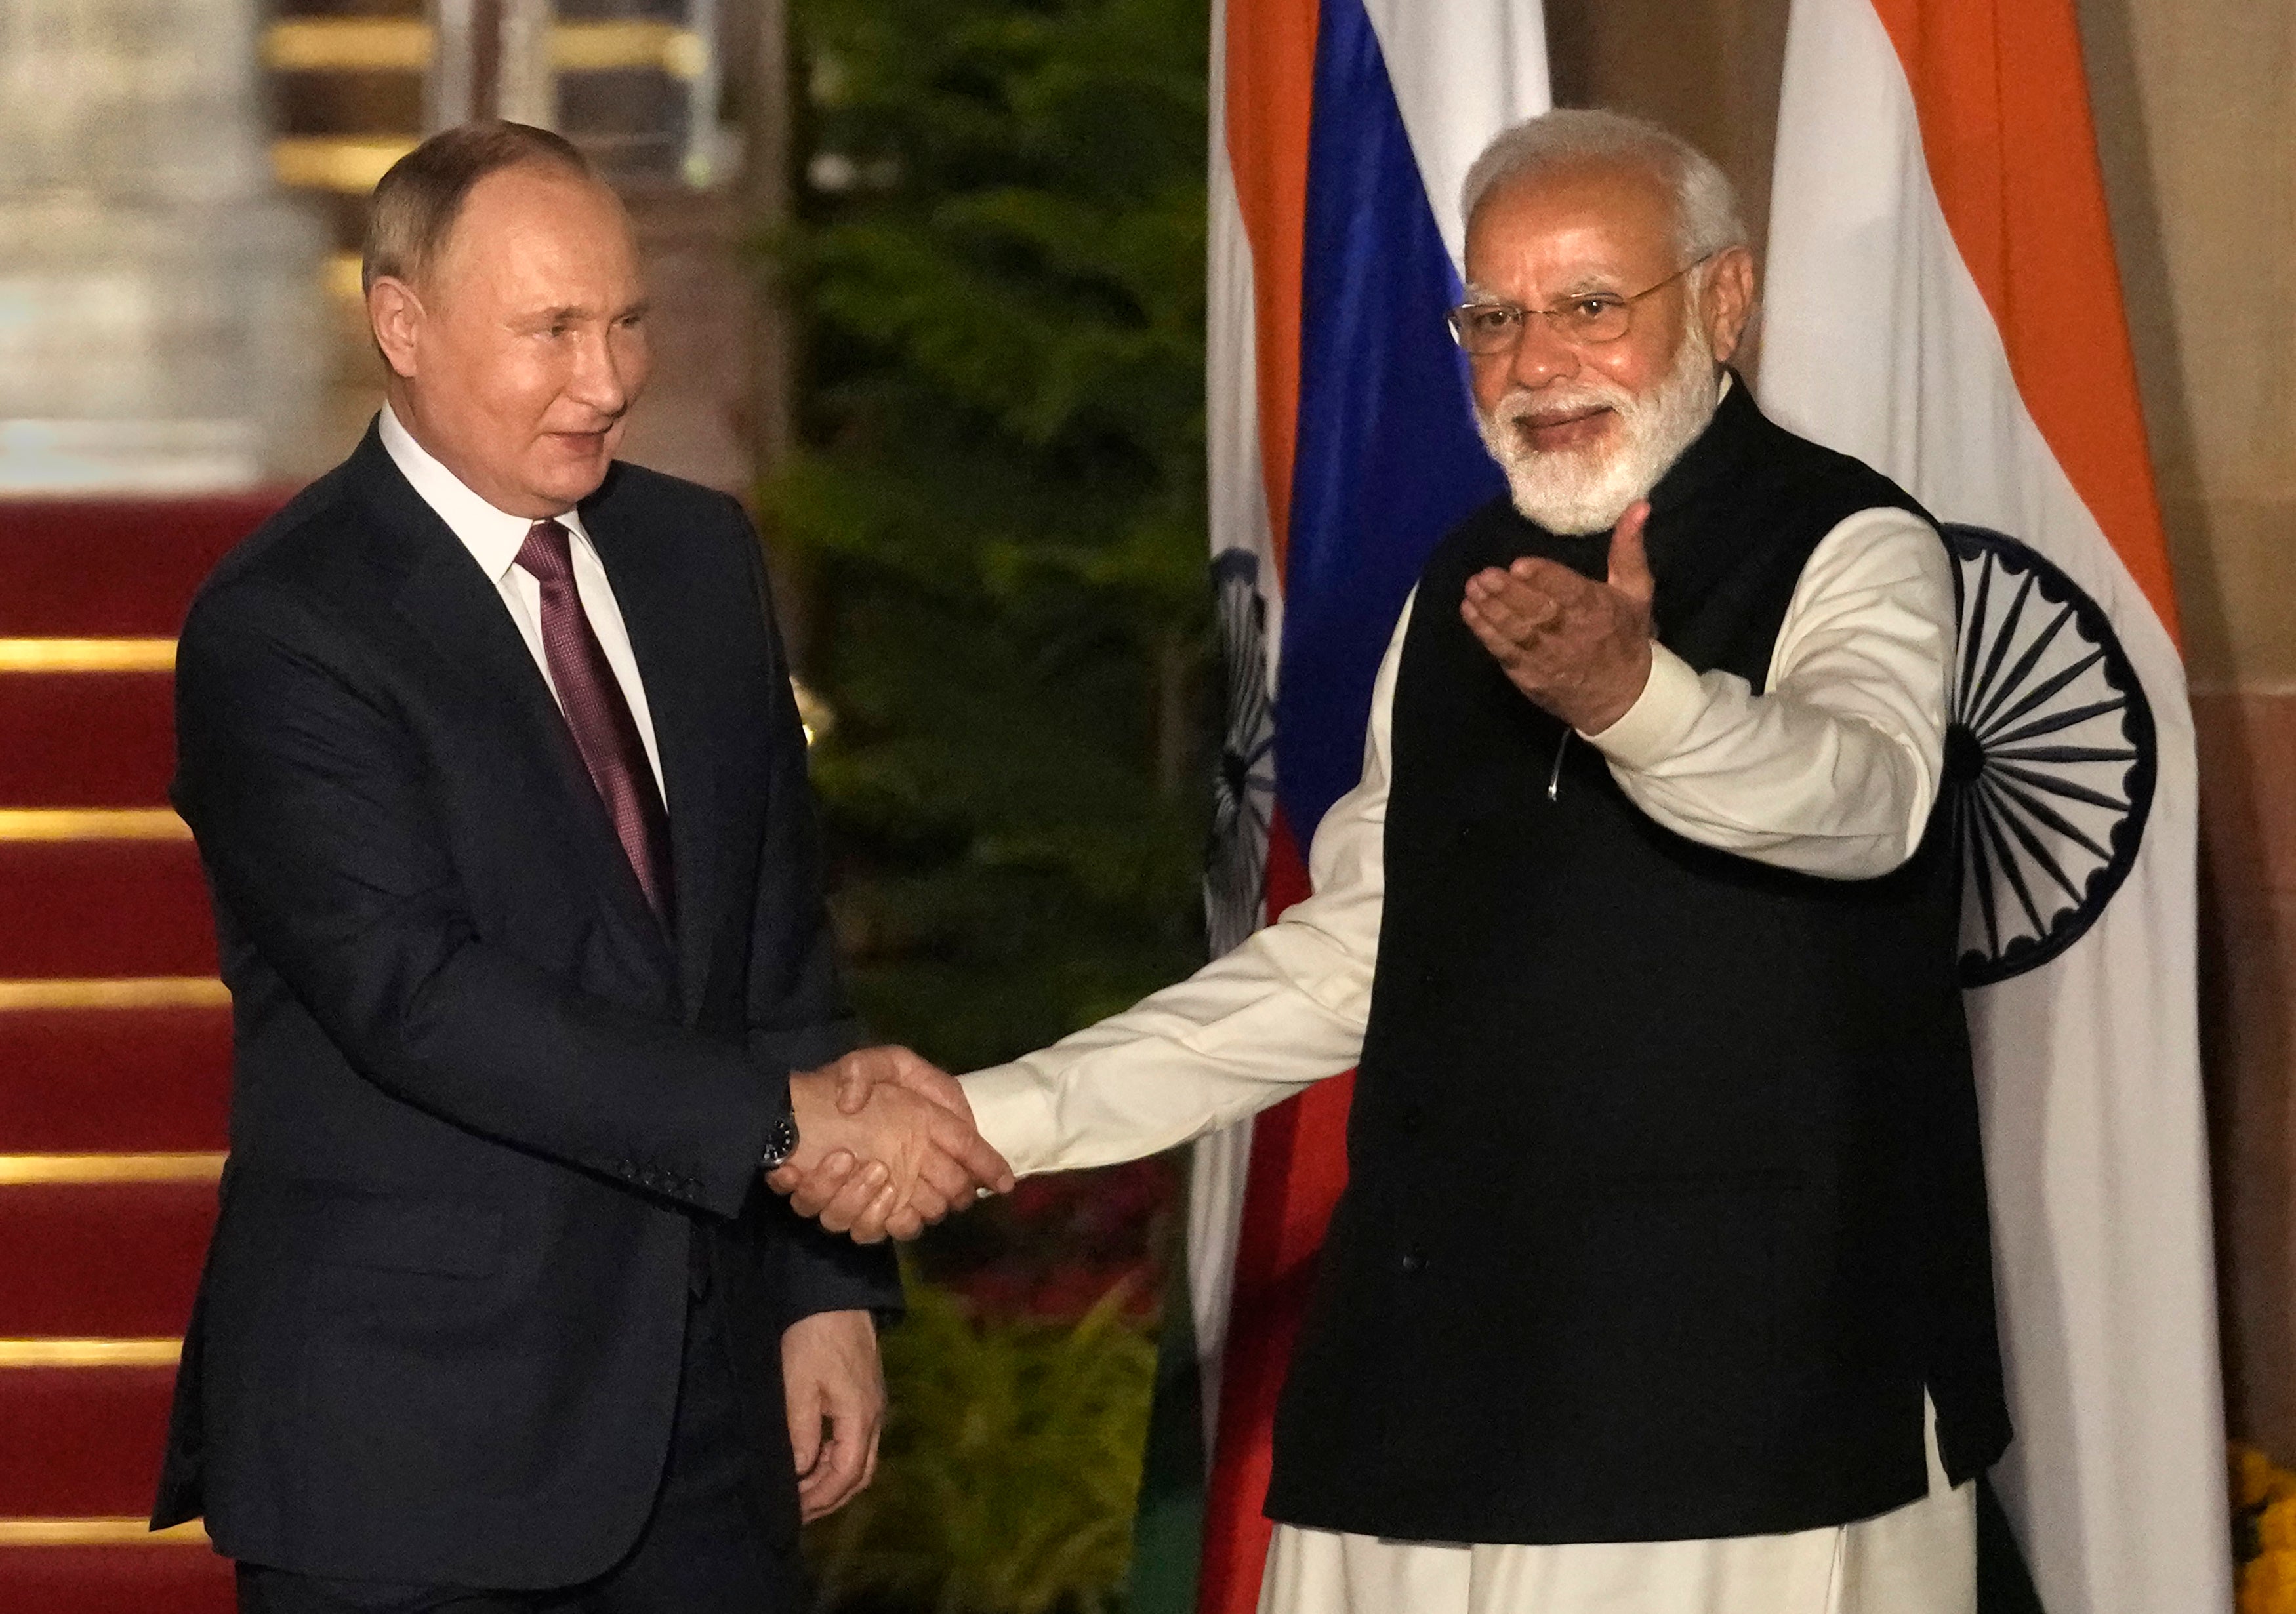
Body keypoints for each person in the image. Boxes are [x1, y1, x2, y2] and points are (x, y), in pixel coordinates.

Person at [776, 108, 2011, 1613]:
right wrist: (994, 1115)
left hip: (1745, 1427)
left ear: (1723, 299)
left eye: (1588, 305)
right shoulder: (1462, 579)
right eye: (1493, 316)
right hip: (1420, 1411)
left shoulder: (1853, 545)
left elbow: (1867, 798)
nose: (1536, 362)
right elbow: (1355, 957)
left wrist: (1639, 700)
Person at [154, 121, 1013, 1613]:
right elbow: (418, 997)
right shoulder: (283, 624)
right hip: (410, 1454)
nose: (608, 380)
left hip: (708, 1433)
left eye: (626, 322)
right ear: (402, 324)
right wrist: (783, 1126)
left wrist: (819, 1294)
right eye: (551, 329)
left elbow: (775, 942)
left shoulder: (698, 557)